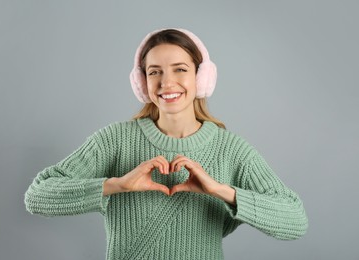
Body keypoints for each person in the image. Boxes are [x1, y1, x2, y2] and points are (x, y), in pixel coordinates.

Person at [25, 28, 308, 260]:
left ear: (201, 77)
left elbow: (295, 220)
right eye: (154, 72)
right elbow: (37, 197)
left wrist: (220, 190)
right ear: (142, 82)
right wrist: (117, 185)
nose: (167, 82)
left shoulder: (232, 149)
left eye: (180, 69)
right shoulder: (114, 140)